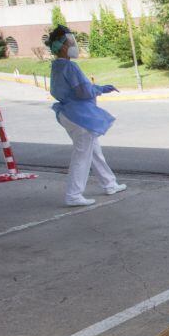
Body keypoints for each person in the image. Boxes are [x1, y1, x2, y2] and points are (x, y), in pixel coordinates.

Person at [46, 25, 126, 206]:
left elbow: (65, 90)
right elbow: (83, 91)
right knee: (82, 156)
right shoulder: (69, 66)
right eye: (71, 42)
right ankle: (73, 195)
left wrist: (97, 89)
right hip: (79, 116)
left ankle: (109, 183)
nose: (74, 45)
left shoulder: (57, 66)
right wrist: (99, 89)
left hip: (70, 114)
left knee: (94, 151)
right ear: (63, 47)